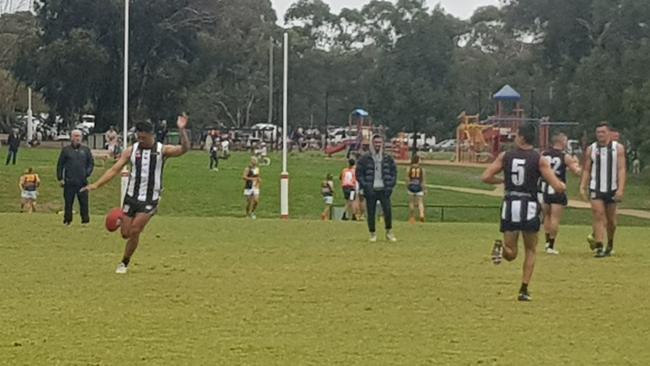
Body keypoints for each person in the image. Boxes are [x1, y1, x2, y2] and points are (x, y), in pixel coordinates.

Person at [81, 116, 190, 274]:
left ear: (151, 135)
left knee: (135, 230)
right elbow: (114, 169)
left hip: (150, 198)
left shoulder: (162, 150)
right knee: (125, 234)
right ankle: (120, 217)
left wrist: (182, 130)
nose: (141, 140)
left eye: (144, 138)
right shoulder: (131, 150)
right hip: (131, 196)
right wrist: (96, 185)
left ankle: (124, 262)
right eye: (138, 137)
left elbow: (184, 149)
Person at [482, 122, 565, 301]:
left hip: (510, 204)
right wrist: (562, 185)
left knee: (511, 254)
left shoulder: (506, 156)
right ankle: (523, 289)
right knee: (531, 250)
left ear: (520, 137)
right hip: (529, 206)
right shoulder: (539, 159)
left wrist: (501, 182)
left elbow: (486, 176)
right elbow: (556, 186)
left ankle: (501, 248)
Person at [580, 122, 627, 258]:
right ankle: (599, 246)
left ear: (609, 133)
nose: (600, 135)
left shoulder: (618, 148)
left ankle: (610, 243)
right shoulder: (591, 149)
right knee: (598, 215)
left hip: (612, 188)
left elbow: (621, 169)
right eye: (598, 132)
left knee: (611, 220)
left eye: (603, 132)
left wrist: (620, 189)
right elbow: (587, 169)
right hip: (596, 187)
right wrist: (583, 186)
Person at [539, 133, 581, 254]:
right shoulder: (565, 156)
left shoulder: (544, 154)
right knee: (555, 218)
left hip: (545, 187)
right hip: (557, 187)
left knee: (546, 216)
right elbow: (576, 171)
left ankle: (547, 242)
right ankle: (551, 245)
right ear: (561, 142)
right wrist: (577, 164)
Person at [356, 135, 397, 242]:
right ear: (372, 143)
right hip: (371, 190)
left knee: (387, 211)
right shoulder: (365, 158)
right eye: (375, 142)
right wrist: (365, 185)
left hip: (384, 189)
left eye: (379, 142)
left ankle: (389, 232)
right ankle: (372, 233)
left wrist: (391, 183)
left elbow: (394, 171)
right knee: (371, 212)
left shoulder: (387, 158)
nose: (377, 145)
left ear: (382, 143)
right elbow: (359, 173)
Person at [57, 130, 94, 225]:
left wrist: (87, 173)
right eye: (75, 136)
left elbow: (91, 163)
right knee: (68, 202)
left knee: (84, 202)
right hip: (69, 181)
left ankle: (85, 221)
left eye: (79, 136)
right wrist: (60, 178)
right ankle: (67, 220)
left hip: (82, 182)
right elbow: (60, 165)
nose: (77, 138)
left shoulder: (85, 150)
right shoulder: (66, 150)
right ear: (71, 137)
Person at [406, 155, 427, 223]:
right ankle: (421, 214)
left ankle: (412, 217)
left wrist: (407, 186)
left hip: (411, 186)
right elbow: (423, 180)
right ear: (417, 160)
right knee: (420, 202)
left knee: (411, 202)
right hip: (419, 186)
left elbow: (407, 179)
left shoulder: (409, 168)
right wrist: (424, 189)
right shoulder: (422, 169)